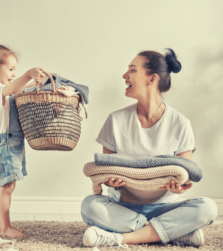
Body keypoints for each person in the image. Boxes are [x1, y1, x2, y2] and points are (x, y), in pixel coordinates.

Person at [81, 49, 218, 248]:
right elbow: (107, 171)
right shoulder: (116, 120)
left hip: (165, 207)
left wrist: (182, 186)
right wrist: (113, 182)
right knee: (89, 206)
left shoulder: (180, 124)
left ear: (151, 79)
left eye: (132, 70)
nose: (124, 76)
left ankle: (122, 238)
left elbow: (185, 175)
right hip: (123, 207)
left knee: (208, 207)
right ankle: (171, 233)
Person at [0, 38, 45, 238]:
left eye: (15, 70)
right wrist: (27, 74)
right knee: (6, 188)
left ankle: (2, 225)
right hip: (2, 149)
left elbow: (17, 91)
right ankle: (6, 226)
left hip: (7, 147)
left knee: (9, 186)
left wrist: (34, 82)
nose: (14, 74)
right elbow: (13, 88)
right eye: (11, 69)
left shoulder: (3, 93)